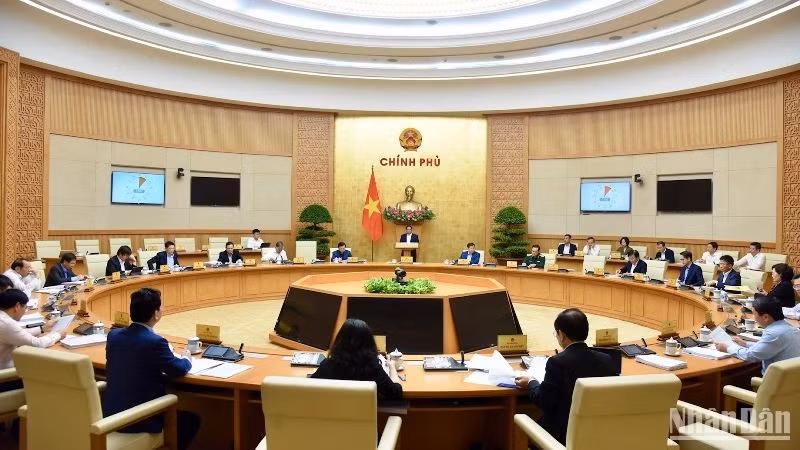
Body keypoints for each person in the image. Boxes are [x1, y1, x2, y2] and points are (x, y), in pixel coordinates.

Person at [103, 288, 199, 450]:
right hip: (140, 419)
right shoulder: (155, 342)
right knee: (190, 420)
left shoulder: (114, 335)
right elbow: (177, 369)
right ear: (156, 314)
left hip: (110, 415)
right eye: (160, 308)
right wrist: (187, 359)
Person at [514, 308, 617, 445]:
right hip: (597, 436)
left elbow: (544, 400)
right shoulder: (606, 359)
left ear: (561, 335)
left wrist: (532, 382)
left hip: (560, 437)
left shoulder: (557, 362)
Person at [310, 318, 402, 401]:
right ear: (369, 343)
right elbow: (396, 394)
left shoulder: (328, 365)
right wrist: (392, 367)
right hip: (365, 419)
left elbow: (308, 387)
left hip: (333, 418)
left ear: (340, 340)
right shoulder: (372, 369)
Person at [715, 296, 800, 375]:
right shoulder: (788, 327)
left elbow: (751, 356)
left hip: (772, 386)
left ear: (766, 317)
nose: (753, 318)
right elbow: (769, 347)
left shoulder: (774, 334)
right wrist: (745, 344)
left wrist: (727, 348)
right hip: (791, 384)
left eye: (754, 314)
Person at [0, 289, 65, 369]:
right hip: (6, 374)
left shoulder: (3, 318)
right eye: (25, 307)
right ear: (17, 306)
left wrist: (42, 329)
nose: (25, 311)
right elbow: (37, 344)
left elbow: (16, 333)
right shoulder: (7, 323)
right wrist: (58, 335)